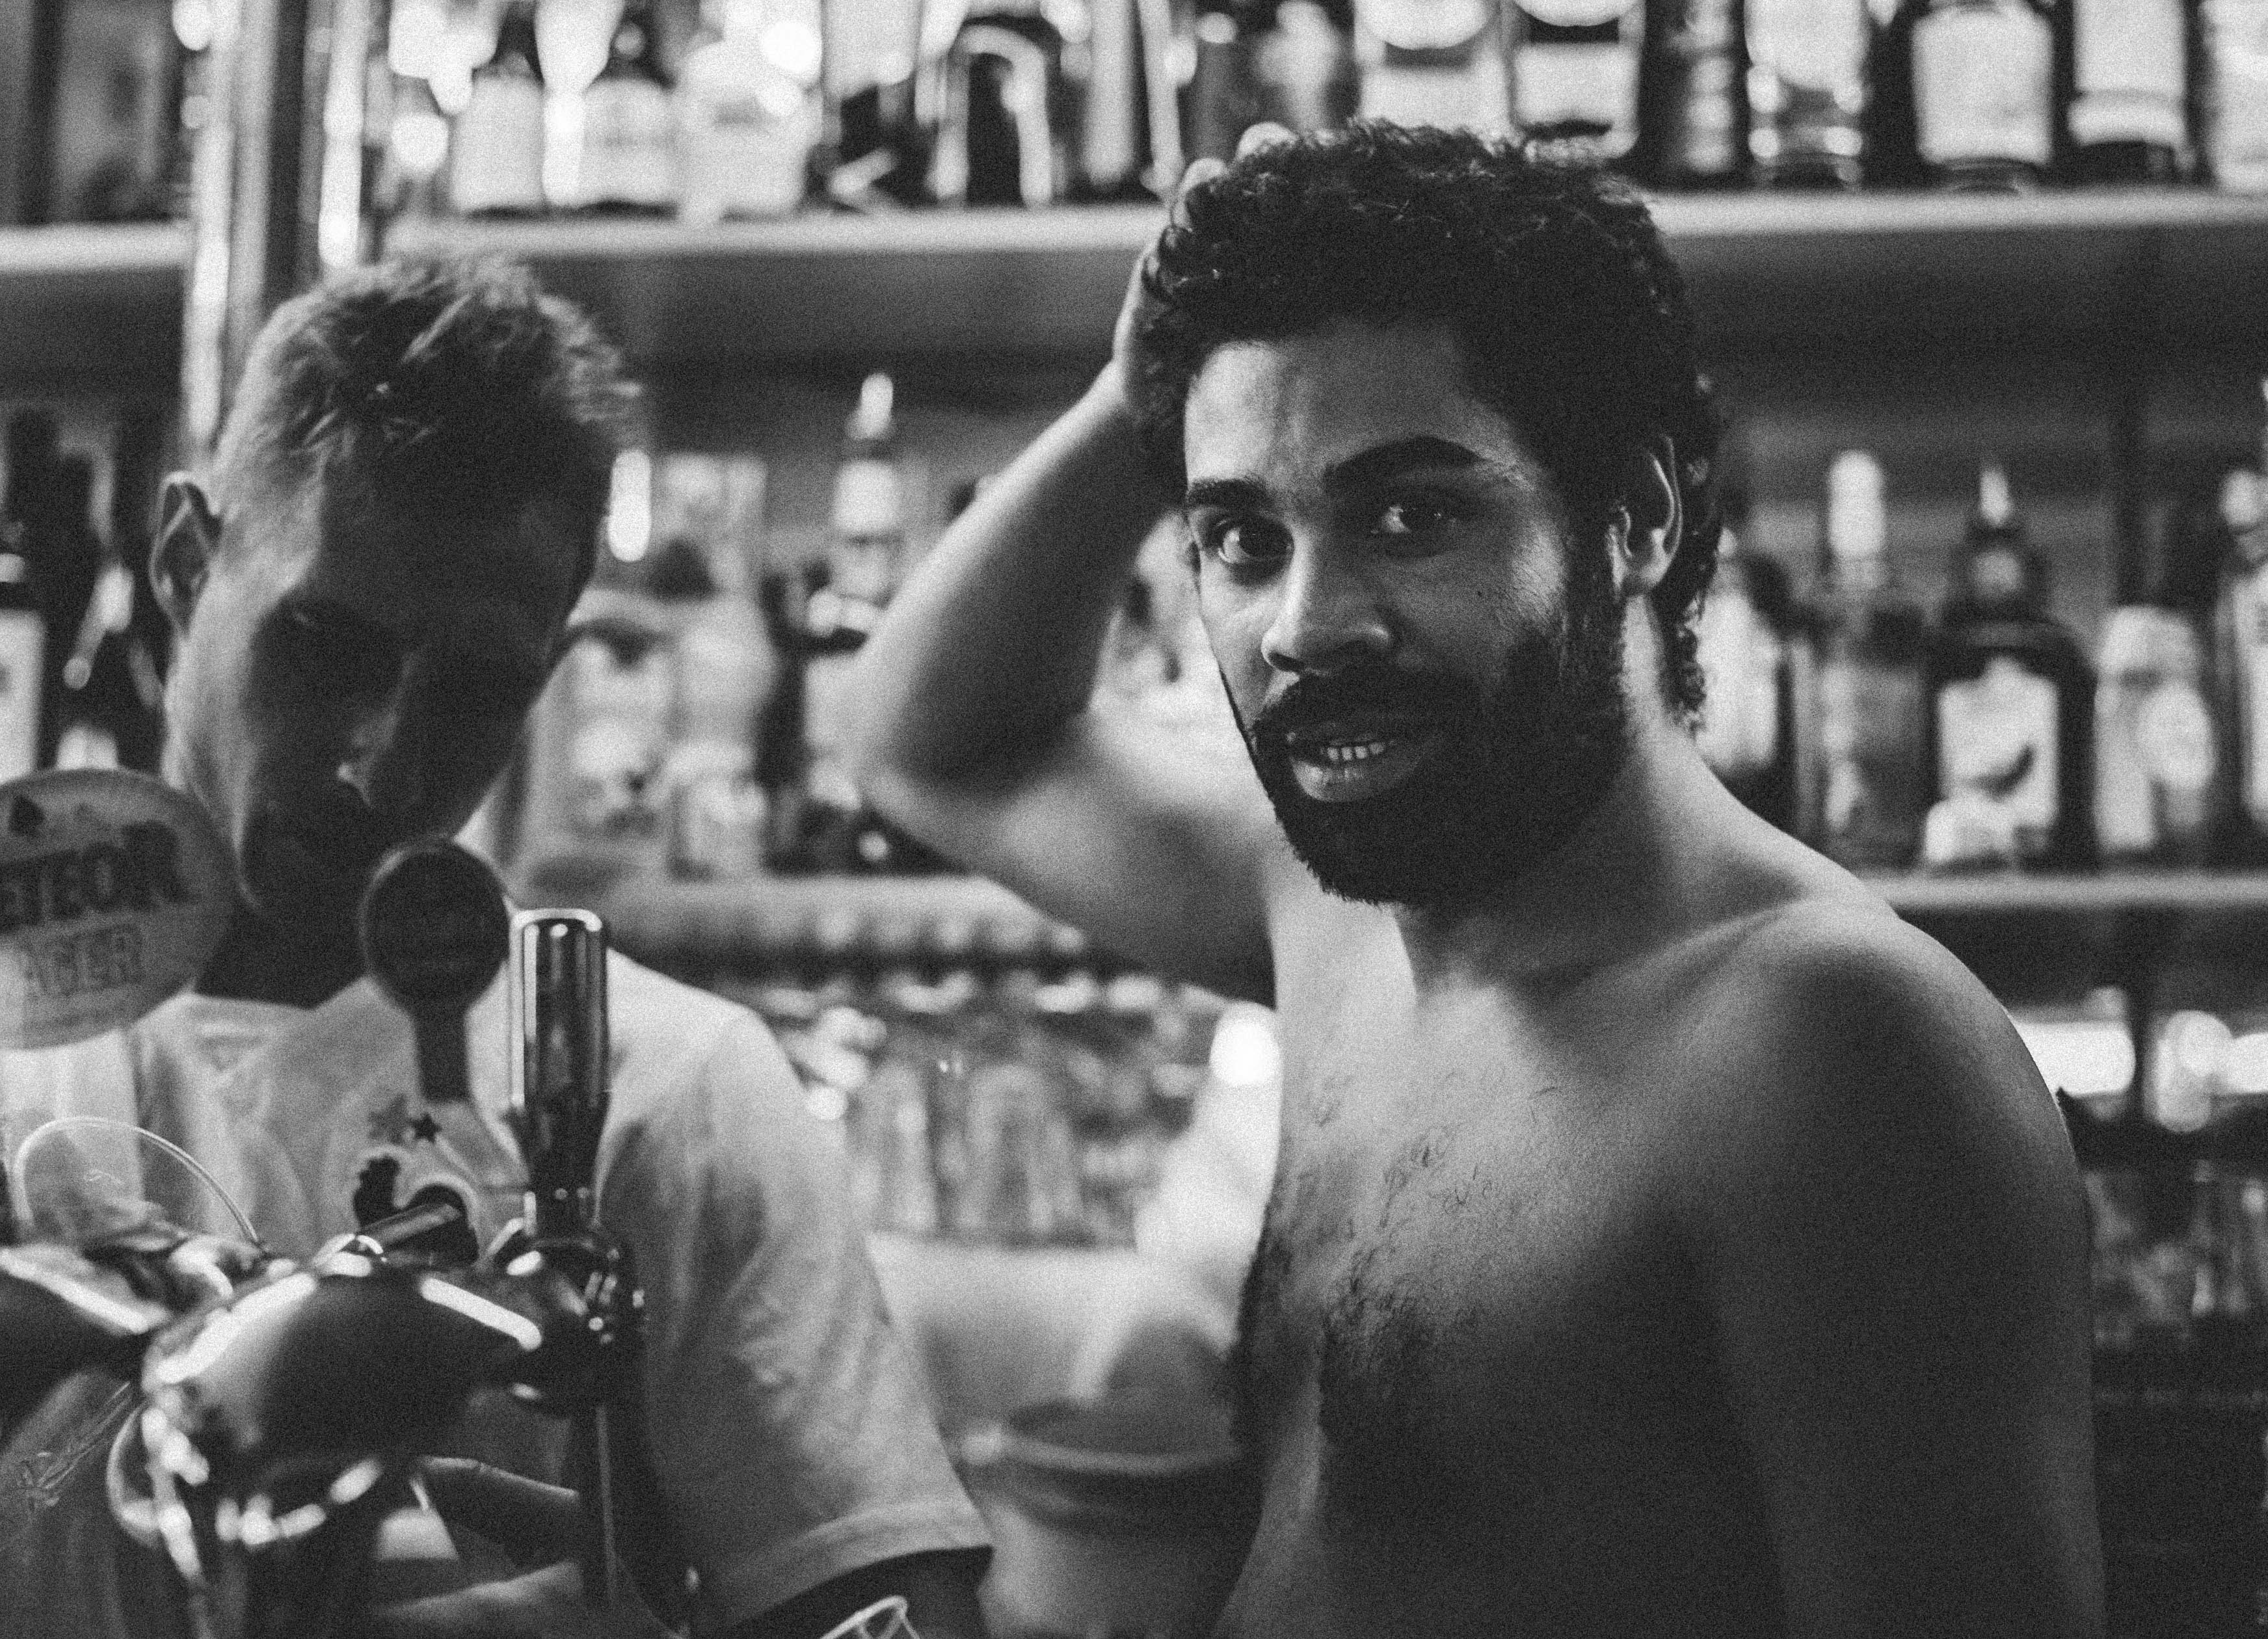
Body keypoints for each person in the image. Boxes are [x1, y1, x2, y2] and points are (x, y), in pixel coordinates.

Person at [844, 122, 2100, 1638]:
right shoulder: (1340, 918)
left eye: (1411, 513)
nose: (1308, 625)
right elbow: (929, 744)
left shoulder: (1826, 1045)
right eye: (1243, 535)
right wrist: (1146, 393)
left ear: (1633, 518)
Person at [0, 257, 990, 1639]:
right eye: (322, 645)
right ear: (190, 565)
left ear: (549, 672)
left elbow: (881, 1604)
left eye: (477, 689)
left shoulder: (676, 1088)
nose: (384, 765)